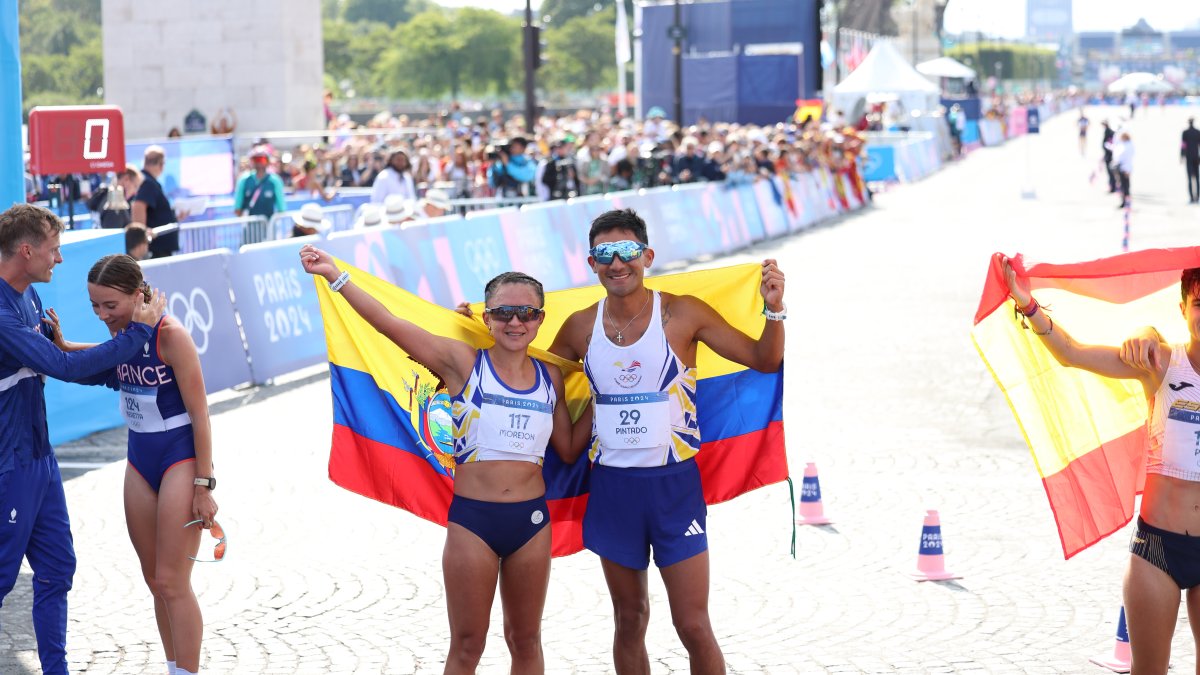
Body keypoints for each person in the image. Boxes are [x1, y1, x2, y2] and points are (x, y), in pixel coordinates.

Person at [299, 246, 588, 674]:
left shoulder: (551, 380)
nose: (515, 322)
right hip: (474, 523)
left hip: (531, 523)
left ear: (540, 320)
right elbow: (390, 324)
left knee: (526, 641)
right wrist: (336, 276)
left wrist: (607, 399)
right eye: (504, 312)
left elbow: (567, 449)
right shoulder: (462, 363)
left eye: (527, 313)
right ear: (486, 318)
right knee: (467, 646)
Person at [547, 208, 785, 674]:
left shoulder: (681, 312)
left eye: (628, 251)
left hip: (674, 488)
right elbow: (527, 370)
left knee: (693, 624)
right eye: (604, 254)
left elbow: (763, 359)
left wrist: (773, 307)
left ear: (647, 256)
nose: (617, 263)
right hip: (613, 489)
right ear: (591, 263)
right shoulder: (579, 326)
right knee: (629, 619)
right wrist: (481, 326)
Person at [1001, 256, 1200, 675]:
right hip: (1156, 551)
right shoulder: (1161, 363)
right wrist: (1028, 305)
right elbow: (1072, 354)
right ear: (1182, 308)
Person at [0, 204, 165, 675]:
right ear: (26, 251)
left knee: (57, 569)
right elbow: (64, 368)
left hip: (38, 455)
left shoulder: (27, 293)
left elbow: (58, 357)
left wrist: (124, 369)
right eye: (53, 251)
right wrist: (138, 334)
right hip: (8, 461)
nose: (60, 260)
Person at [47, 254, 217, 675]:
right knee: (155, 582)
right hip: (139, 459)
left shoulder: (170, 335)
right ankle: (173, 665)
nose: (103, 316)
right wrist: (66, 348)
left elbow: (201, 414)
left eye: (110, 305)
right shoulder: (126, 336)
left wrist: (203, 484)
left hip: (179, 458)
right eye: (95, 306)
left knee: (173, 582)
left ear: (137, 294)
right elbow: (106, 363)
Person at [133, 146, 187, 259]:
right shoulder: (148, 183)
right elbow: (138, 206)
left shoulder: (149, 182)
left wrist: (174, 218)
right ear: (160, 164)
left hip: (159, 247)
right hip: (155, 250)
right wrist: (140, 237)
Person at [233, 147, 287, 219]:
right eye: (256, 159)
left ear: (268, 161)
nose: (259, 163)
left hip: (269, 226)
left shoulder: (275, 181)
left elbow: (281, 208)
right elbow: (237, 208)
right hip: (249, 227)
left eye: (262, 159)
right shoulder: (244, 180)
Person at [1182, 117, 1200, 204]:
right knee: (1197, 178)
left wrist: (1182, 156)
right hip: (1196, 157)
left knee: (1189, 178)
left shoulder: (1185, 133)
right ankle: (1197, 197)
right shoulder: (1197, 132)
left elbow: (1183, 146)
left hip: (1189, 158)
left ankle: (1192, 198)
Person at [1115, 131, 1134, 209]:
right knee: (1124, 186)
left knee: (1125, 186)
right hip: (1124, 167)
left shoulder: (1127, 146)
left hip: (1125, 168)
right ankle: (1125, 201)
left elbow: (1124, 157)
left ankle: (1125, 202)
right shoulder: (1127, 144)